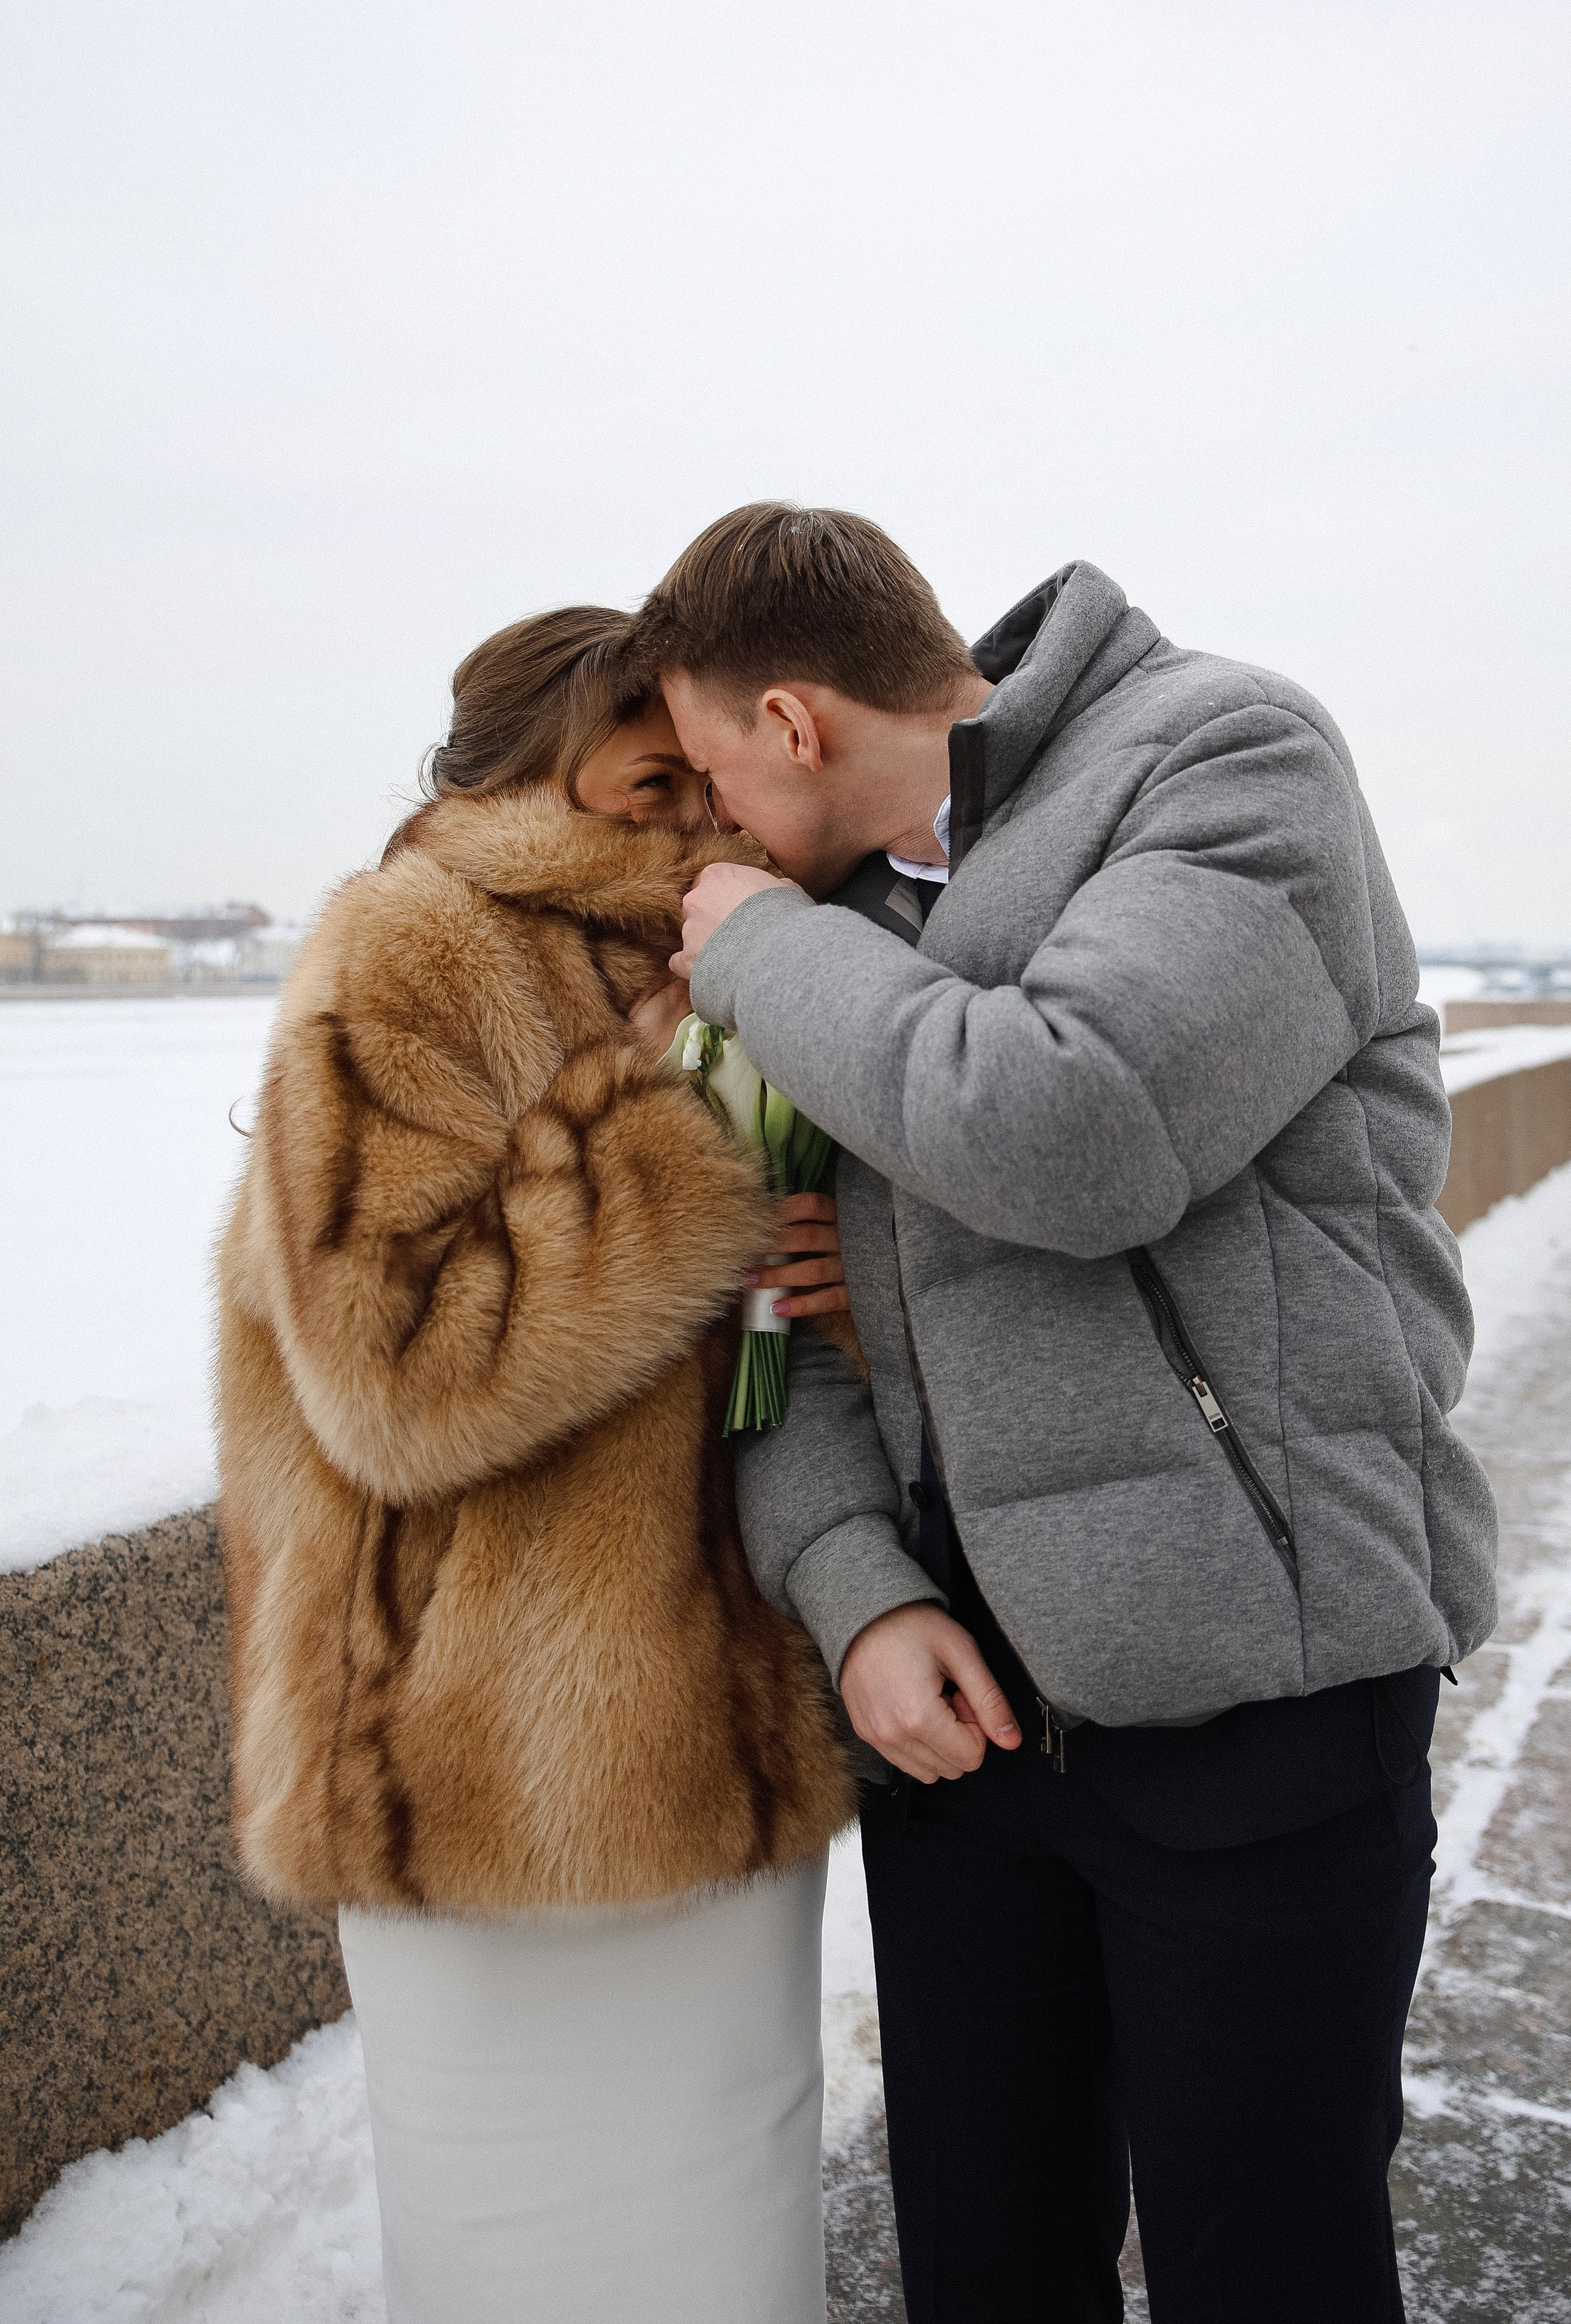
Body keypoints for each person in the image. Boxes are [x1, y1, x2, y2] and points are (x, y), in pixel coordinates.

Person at [635, 503, 1498, 2324]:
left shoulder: (1225, 756)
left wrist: (755, 952)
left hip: (1258, 1694)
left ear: (791, 725)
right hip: (965, 1727)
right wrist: (859, 1585)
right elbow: (778, 1307)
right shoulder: (849, 920)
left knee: (1267, 2270)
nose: (711, 833)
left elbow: (1076, 1130)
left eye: (713, 773)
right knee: (983, 2266)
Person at [214, 604, 859, 2324]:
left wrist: (838, 1280)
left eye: (706, 786)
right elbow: (393, 1372)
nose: (690, 825)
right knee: (518, 2258)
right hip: (477, 1775)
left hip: (712, 1766)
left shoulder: (755, 952)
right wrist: (669, 1132)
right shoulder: (407, 949)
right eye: (653, 782)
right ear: (534, 761)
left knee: (732, 2247)